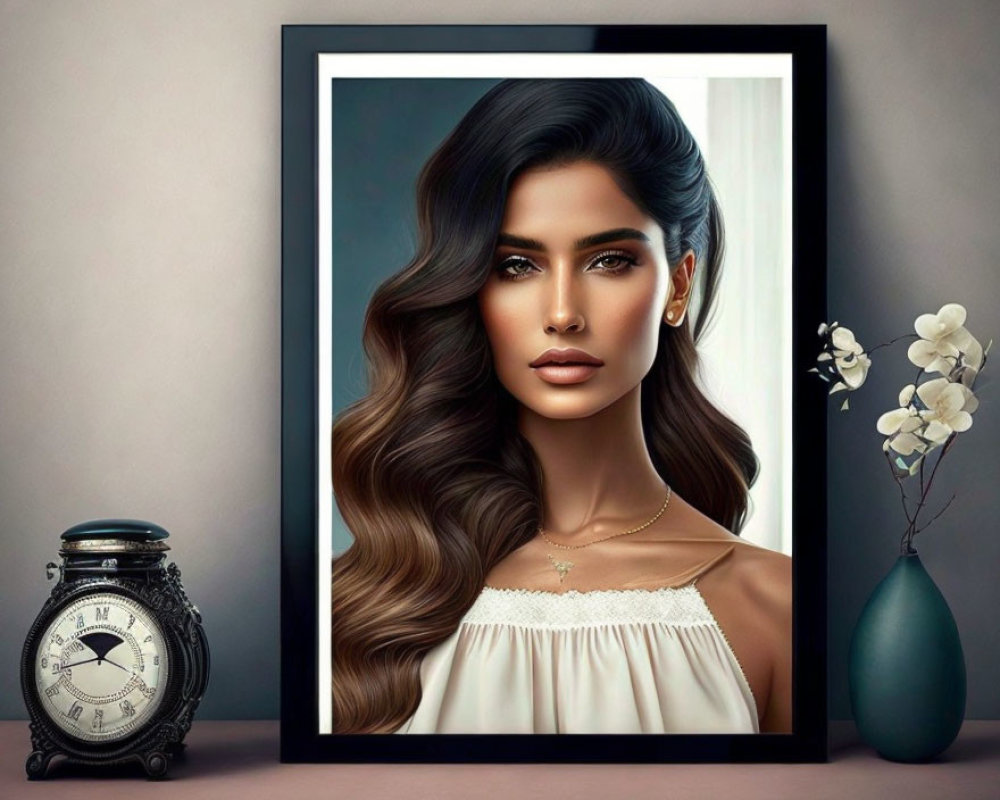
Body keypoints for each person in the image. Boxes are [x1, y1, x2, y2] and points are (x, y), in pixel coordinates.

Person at [331, 78, 792, 735]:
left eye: (609, 261)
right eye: (517, 266)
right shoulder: (366, 605)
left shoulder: (775, 606)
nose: (563, 314)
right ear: (471, 288)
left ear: (677, 284)